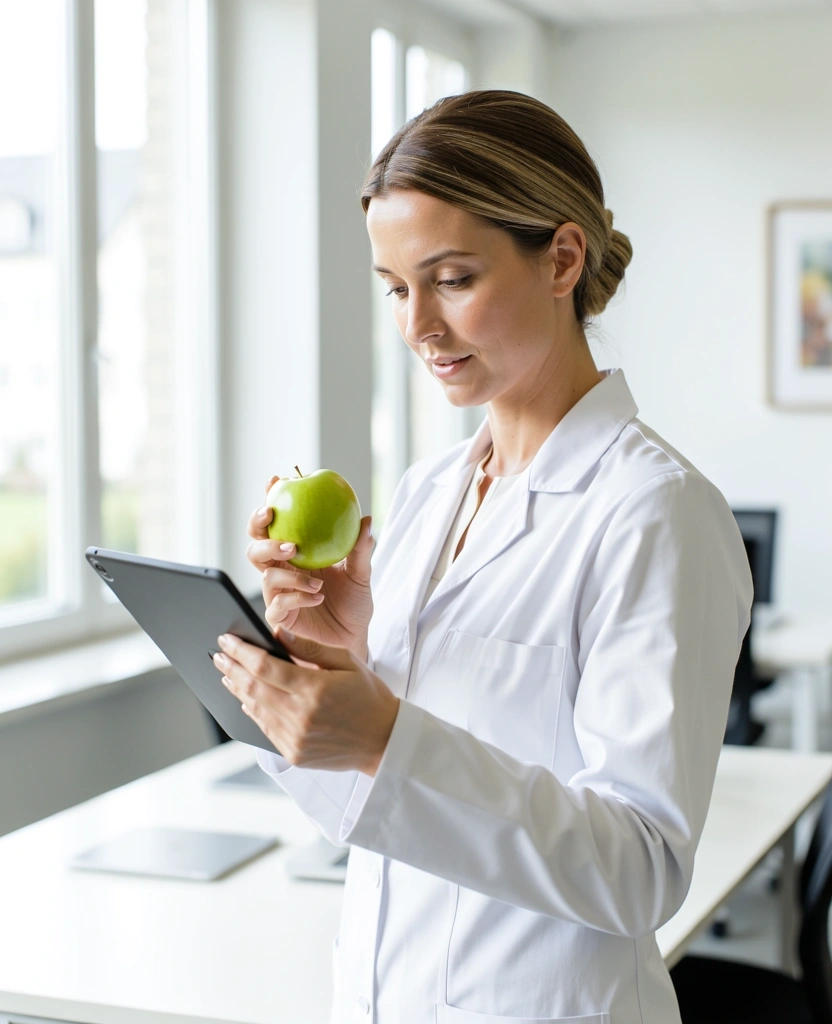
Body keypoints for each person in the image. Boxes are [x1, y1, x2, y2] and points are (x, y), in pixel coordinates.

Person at [213, 90, 753, 1024]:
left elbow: (642, 870)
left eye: (452, 278)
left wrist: (385, 734)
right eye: (395, 287)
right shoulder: (430, 493)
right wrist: (325, 673)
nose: (417, 324)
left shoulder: (656, 514)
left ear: (563, 258)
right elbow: (372, 815)